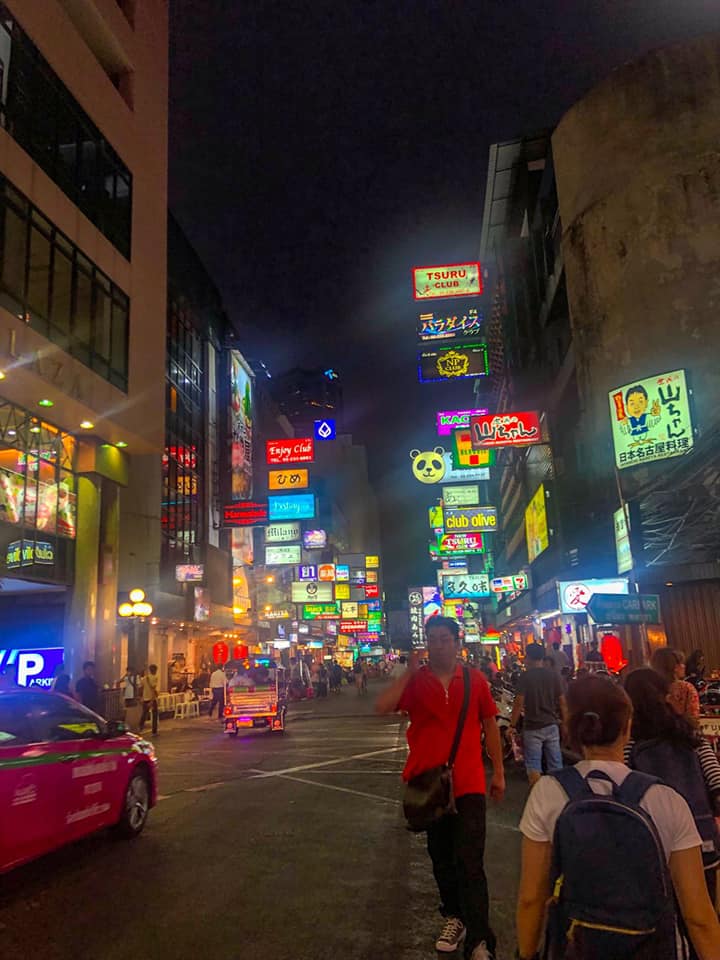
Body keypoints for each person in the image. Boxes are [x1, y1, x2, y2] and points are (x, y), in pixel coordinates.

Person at [516, 674, 720, 960]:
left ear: (570, 729)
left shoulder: (547, 793)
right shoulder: (665, 799)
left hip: (578, 946)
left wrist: (525, 954)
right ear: (627, 727)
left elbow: (531, 898)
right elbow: (699, 917)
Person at [376, 616, 505, 960]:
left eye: (445, 639)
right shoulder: (417, 683)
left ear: (457, 642)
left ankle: (479, 939)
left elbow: (490, 724)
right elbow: (383, 706)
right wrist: (408, 671)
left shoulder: (474, 680)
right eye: (432, 639)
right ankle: (454, 916)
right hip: (431, 786)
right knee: (441, 860)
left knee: (470, 862)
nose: (438, 645)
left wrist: (500, 772)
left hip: (469, 784)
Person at [624, 668, 720, 914]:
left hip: (650, 843)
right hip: (700, 837)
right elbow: (716, 779)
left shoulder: (630, 742)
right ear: (666, 695)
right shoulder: (688, 733)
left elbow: (623, 787)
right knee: (702, 912)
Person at [509, 643, 566, 786]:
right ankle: (557, 796)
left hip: (532, 727)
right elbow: (562, 701)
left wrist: (512, 725)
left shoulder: (525, 676)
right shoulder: (553, 675)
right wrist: (566, 722)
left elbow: (518, 703)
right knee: (556, 764)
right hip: (551, 725)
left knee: (534, 765)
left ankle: (537, 796)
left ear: (528, 657)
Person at [652, 647, 700, 724]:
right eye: (682, 663)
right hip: (681, 733)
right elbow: (694, 720)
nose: (684, 666)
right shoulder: (686, 687)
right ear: (675, 667)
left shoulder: (649, 687)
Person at [140, 664, 159, 736]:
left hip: (145, 698)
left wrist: (141, 697)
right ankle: (154, 731)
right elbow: (153, 688)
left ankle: (140, 727)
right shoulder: (155, 678)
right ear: (155, 670)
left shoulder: (145, 678)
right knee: (154, 715)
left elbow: (141, 687)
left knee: (144, 714)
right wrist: (152, 700)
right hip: (152, 699)